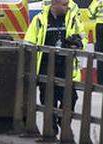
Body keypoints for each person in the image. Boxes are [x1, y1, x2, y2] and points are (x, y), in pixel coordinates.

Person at [23, 0, 87, 132]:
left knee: (70, 97)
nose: (67, 7)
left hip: (65, 67)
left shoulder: (73, 19)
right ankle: (50, 131)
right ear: (54, 4)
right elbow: (29, 43)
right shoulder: (39, 20)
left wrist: (78, 43)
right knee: (48, 100)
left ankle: (64, 123)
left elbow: (83, 38)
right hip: (45, 67)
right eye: (64, 4)